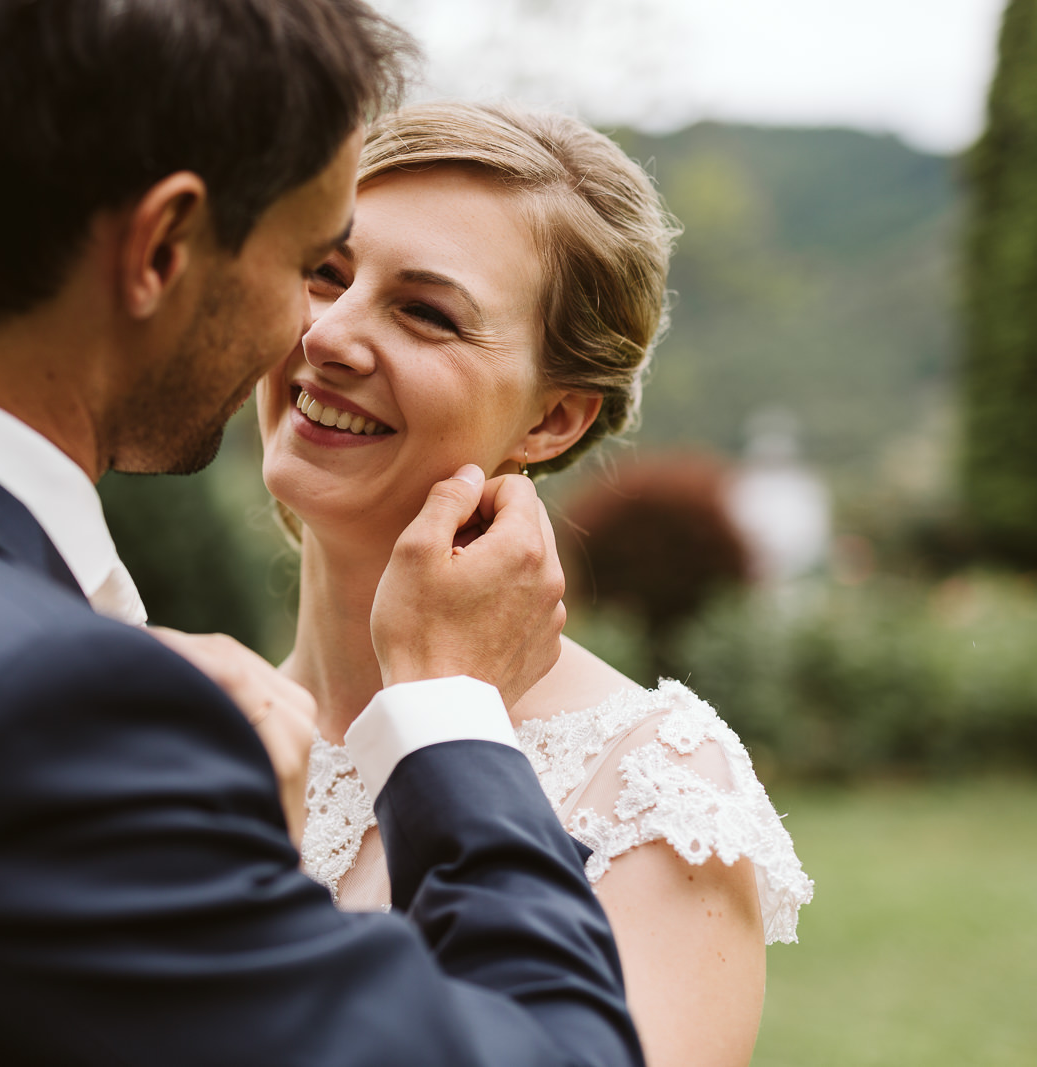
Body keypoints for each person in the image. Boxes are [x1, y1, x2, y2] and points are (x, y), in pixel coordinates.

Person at [0, 4, 648, 1065]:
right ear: (162, 245)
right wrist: (455, 713)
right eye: (307, 265)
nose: (309, 334)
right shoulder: (47, 710)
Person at [255, 101, 815, 1067]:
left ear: (554, 418)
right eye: (326, 273)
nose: (330, 336)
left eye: (424, 312)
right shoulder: (203, 720)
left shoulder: (650, 789)